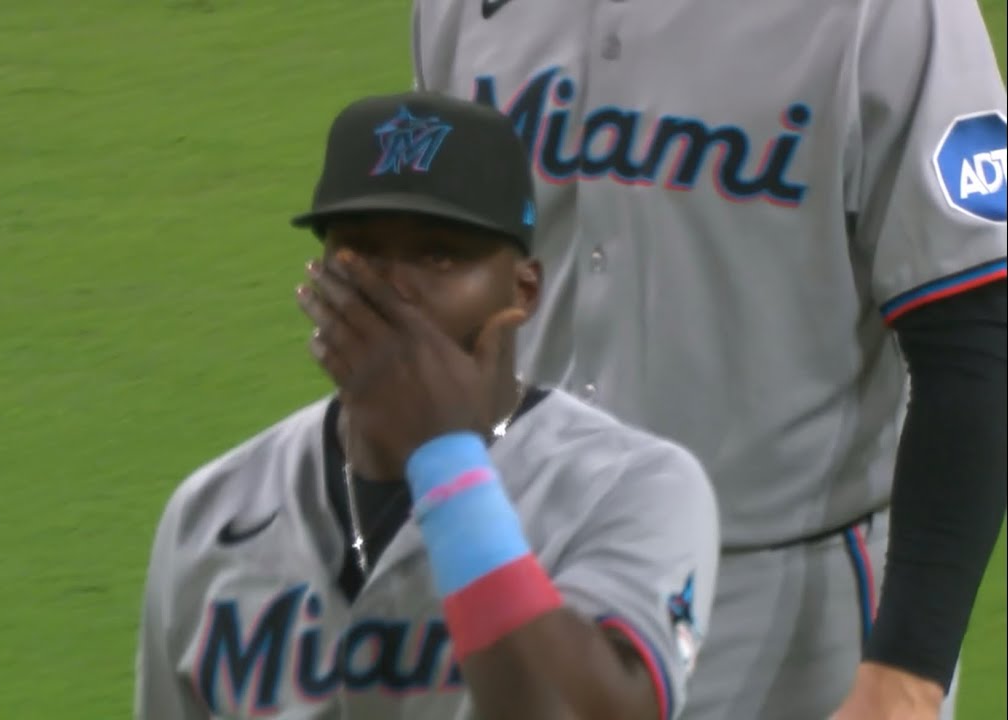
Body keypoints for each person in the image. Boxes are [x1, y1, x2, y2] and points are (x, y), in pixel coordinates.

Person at [410, 0, 1008, 718]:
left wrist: (906, 675)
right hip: (528, 584)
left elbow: (977, 338)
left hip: (788, 621)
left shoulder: (886, 15)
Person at [133, 91, 720, 720]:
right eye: (361, 251)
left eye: (440, 254)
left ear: (523, 291)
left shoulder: (631, 489)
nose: (394, 287)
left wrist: (444, 460)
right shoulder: (210, 514)